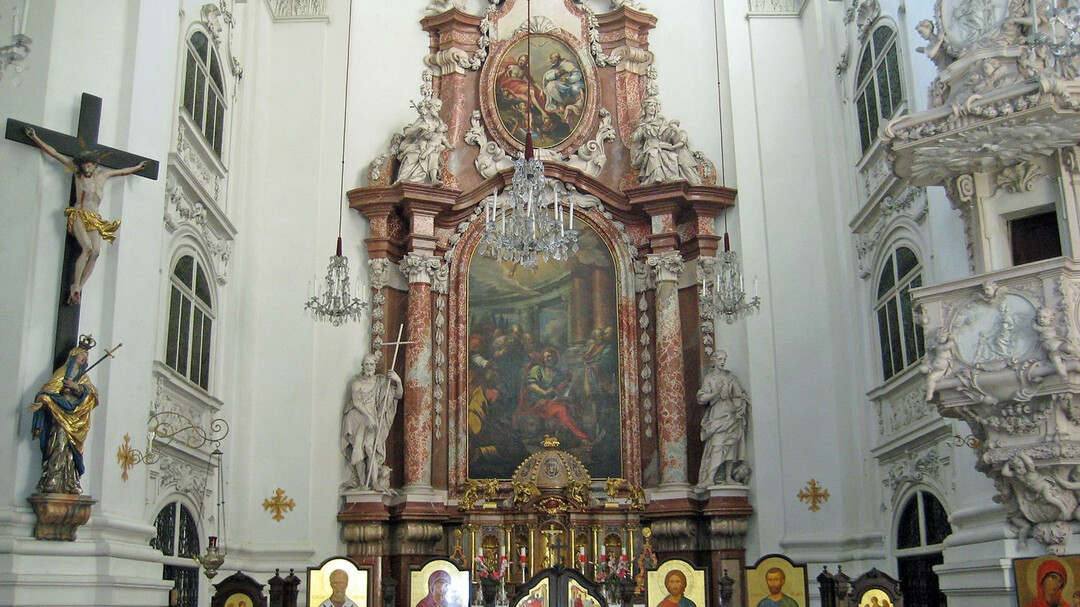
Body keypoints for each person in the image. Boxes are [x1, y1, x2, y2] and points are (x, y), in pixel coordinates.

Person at [24, 127, 149, 305]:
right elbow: (55, 154)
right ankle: (75, 284)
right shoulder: (78, 174)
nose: (86, 168)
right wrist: (35, 138)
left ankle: (79, 288)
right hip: (79, 214)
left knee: (96, 252)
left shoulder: (104, 176)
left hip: (94, 217)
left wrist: (137, 167)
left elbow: (122, 171)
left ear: (95, 165)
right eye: (84, 165)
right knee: (88, 248)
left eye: (89, 165)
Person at [28, 335, 101, 494]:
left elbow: (93, 395)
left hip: (76, 417)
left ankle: (71, 481)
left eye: (86, 357)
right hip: (60, 414)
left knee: (72, 450)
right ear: (74, 356)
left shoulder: (84, 378)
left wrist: (78, 388)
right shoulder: (62, 373)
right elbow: (49, 391)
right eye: (81, 356)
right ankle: (52, 480)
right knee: (59, 445)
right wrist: (42, 402)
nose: (84, 359)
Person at [341, 353, 403, 492]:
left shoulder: (380, 383)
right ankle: (362, 483)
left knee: (371, 448)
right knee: (358, 449)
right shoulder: (357, 383)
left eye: (372, 364)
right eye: (367, 364)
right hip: (357, 417)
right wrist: (369, 416)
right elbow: (356, 402)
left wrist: (398, 381)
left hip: (373, 420)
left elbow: (398, 395)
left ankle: (374, 482)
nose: (369, 367)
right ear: (363, 366)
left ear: (375, 366)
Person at [696, 350, 751, 488]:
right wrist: (714, 393)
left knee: (730, 445)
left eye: (724, 359)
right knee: (717, 445)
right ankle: (710, 477)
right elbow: (701, 398)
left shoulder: (730, 376)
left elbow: (738, 394)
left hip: (730, 412)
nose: (722, 362)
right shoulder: (709, 378)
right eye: (720, 359)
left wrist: (740, 406)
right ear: (713, 361)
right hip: (717, 412)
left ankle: (727, 477)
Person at [542, 52, 584, 121]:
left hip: (571, 84)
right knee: (550, 85)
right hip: (561, 85)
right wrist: (557, 73)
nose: (550, 60)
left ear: (557, 58)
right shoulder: (555, 67)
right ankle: (560, 103)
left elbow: (577, 74)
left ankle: (577, 107)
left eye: (552, 58)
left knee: (575, 89)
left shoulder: (568, 64)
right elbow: (547, 77)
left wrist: (568, 79)